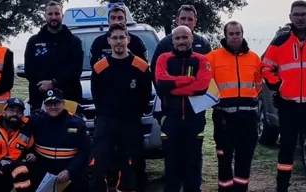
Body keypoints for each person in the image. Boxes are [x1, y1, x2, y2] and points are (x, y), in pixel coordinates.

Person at [262, 0, 306, 192]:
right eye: (296, 14)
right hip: (288, 105)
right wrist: (279, 85)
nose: (300, 17)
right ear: (290, 17)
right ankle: (282, 187)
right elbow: (266, 67)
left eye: (304, 14)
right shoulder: (280, 42)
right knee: (286, 149)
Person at [89, 23, 152, 192]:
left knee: (131, 166)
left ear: (128, 39)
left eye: (122, 37)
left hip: (130, 123)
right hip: (106, 122)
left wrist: (133, 113)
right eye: (115, 38)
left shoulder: (141, 66)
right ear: (109, 41)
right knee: (99, 164)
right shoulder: (99, 67)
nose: (118, 42)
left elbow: (145, 94)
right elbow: (96, 95)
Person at [206, 21, 262, 192]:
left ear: (242, 34)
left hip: (248, 119)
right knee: (224, 162)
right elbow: (208, 84)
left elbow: (258, 85)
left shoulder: (254, 58)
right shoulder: (213, 57)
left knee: (244, 162)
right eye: (231, 34)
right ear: (225, 35)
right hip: (224, 120)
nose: (235, 37)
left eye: (238, 33)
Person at [155, 26, 212, 192]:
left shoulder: (202, 60)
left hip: (194, 120)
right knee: (171, 164)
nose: (181, 41)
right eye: (177, 38)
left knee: (193, 163)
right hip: (170, 120)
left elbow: (201, 87)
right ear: (172, 40)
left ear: (192, 38)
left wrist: (172, 86)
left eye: (185, 37)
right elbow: (161, 85)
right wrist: (187, 80)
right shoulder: (163, 58)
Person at [25, 1, 85, 108]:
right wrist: (45, 84)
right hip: (40, 97)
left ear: (62, 15)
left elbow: (75, 69)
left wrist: (54, 83)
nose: (54, 17)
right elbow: (29, 69)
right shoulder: (34, 41)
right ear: (45, 16)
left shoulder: (74, 41)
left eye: (57, 14)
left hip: (69, 97)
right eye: (50, 14)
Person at [29, 89, 90, 192]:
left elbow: (84, 151)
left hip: (70, 173)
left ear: (63, 103)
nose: (53, 107)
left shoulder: (77, 123)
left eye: (56, 103)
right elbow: (13, 121)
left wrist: (69, 171)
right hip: (43, 174)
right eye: (49, 104)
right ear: (44, 106)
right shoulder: (36, 120)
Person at [150, 5, 212, 72]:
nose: (186, 22)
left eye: (190, 19)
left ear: (195, 22)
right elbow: (154, 70)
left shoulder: (203, 44)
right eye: (183, 18)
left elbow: (211, 69)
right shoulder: (164, 44)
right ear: (177, 20)